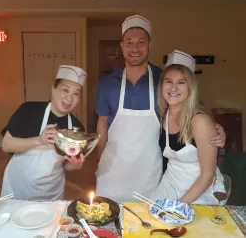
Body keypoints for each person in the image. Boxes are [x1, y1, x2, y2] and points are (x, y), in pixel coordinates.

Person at [95, 15, 226, 203]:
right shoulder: (107, 83)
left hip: (149, 174)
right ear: (122, 46)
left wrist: (216, 130)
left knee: (146, 226)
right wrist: (99, 161)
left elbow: (192, 108)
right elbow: (102, 123)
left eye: (141, 42)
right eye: (129, 42)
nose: (135, 48)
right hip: (112, 170)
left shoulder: (161, 78)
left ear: (150, 45)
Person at [1, 65, 87, 201]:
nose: (69, 98)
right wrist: (39, 140)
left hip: (51, 191)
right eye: (65, 90)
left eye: (76, 93)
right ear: (53, 88)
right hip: (18, 187)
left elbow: (67, 165)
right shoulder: (28, 110)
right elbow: (6, 145)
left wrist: (76, 165)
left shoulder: (76, 128)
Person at [151, 50, 223, 205]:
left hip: (202, 192)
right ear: (162, 84)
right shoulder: (164, 114)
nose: (174, 88)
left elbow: (208, 174)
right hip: (170, 185)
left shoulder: (199, 122)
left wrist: (180, 205)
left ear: (190, 87)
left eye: (181, 82)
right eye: (169, 81)